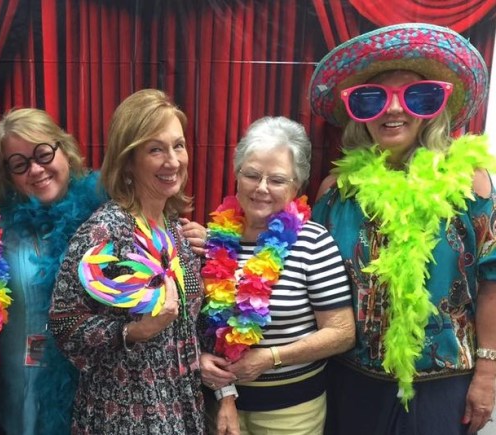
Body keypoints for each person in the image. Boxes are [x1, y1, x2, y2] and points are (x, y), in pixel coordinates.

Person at [310, 23, 495, 435]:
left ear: (436, 108)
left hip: (441, 384)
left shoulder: (471, 184)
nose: (393, 110)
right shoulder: (336, 192)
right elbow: (305, 274)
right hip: (351, 380)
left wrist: (488, 373)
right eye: (373, 98)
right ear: (358, 114)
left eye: (417, 95)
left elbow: (492, 282)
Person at [49, 88, 207, 434]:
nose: (173, 161)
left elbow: (188, 324)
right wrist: (133, 332)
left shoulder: (175, 229)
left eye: (178, 145)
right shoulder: (105, 232)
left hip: (181, 407)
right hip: (124, 415)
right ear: (128, 161)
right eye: (155, 149)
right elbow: (64, 324)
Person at [199, 116, 355, 434]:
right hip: (219, 406)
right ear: (237, 176)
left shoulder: (314, 242)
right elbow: (200, 325)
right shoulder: (213, 239)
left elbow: (342, 333)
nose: (261, 188)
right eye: (252, 175)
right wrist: (201, 360)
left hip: (291, 412)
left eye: (277, 180)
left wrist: (271, 357)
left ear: (296, 186)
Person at [0, 108, 108, 434]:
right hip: (16, 398)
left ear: (64, 150)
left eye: (43, 154)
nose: (36, 169)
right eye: (19, 164)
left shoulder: (105, 214)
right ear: (9, 175)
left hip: (87, 396)